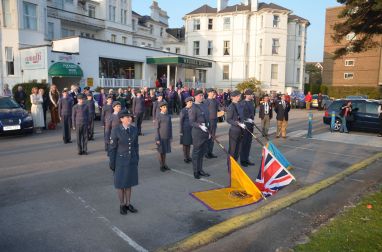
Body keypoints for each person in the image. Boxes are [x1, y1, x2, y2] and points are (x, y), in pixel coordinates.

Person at [109, 111, 139, 215]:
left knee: (129, 183)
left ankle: (128, 203)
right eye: (127, 117)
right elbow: (112, 148)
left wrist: (137, 158)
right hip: (120, 161)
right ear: (121, 119)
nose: (130, 119)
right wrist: (112, 163)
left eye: (130, 117)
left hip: (131, 160)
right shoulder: (116, 130)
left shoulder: (134, 129)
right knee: (121, 184)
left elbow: (136, 145)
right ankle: (122, 204)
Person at [189, 90, 211, 179]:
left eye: (202, 95)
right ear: (195, 97)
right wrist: (199, 125)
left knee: (202, 153)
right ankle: (195, 171)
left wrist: (209, 131)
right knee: (196, 153)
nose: (202, 97)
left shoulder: (204, 106)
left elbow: (208, 119)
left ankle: (200, 169)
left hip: (205, 132)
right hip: (197, 133)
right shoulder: (193, 107)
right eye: (200, 95)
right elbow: (191, 122)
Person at [226, 90, 245, 161]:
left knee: (238, 149)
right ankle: (230, 166)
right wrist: (238, 123)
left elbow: (241, 116)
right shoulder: (231, 107)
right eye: (238, 96)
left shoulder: (239, 104)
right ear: (234, 97)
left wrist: (244, 121)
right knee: (232, 150)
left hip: (241, 129)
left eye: (239, 96)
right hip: (234, 130)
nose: (239, 97)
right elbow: (228, 119)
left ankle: (235, 164)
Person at [155, 101, 173, 172]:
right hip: (160, 137)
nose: (165, 108)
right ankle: (161, 165)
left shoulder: (168, 116)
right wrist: (157, 138)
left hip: (167, 137)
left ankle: (164, 164)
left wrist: (171, 136)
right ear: (160, 108)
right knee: (160, 151)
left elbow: (170, 127)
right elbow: (156, 128)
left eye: (166, 107)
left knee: (165, 151)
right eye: (164, 107)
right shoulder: (158, 116)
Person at [240, 89, 255, 167]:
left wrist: (252, 120)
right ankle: (243, 160)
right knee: (244, 143)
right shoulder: (243, 103)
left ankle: (246, 159)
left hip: (251, 124)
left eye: (252, 94)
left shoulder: (252, 102)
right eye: (251, 94)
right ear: (247, 95)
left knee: (249, 143)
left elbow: (253, 113)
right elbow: (241, 115)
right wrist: (246, 119)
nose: (253, 96)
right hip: (245, 125)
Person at [204, 88, 219, 159]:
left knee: (212, 137)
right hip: (208, 121)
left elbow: (220, 108)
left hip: (214, 121)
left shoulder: (215, 101)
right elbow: (204, 112)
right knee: (208, 137)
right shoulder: (206, 101)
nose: (213, 93)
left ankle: (210, 152)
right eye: (212, 92)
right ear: (208, 93)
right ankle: (206, 152)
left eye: (213, 92)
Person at [180, 97, 193, 163]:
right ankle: (185, 157)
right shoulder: (183, 110)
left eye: (191, 102)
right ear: (186, 103)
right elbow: (181, 121)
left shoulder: (193, 109)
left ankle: (188, 156)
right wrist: (181, 131)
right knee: (185, 144)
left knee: (189, 143)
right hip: (185, 129)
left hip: (191, 129)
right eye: (190, 102)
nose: (191, 103)